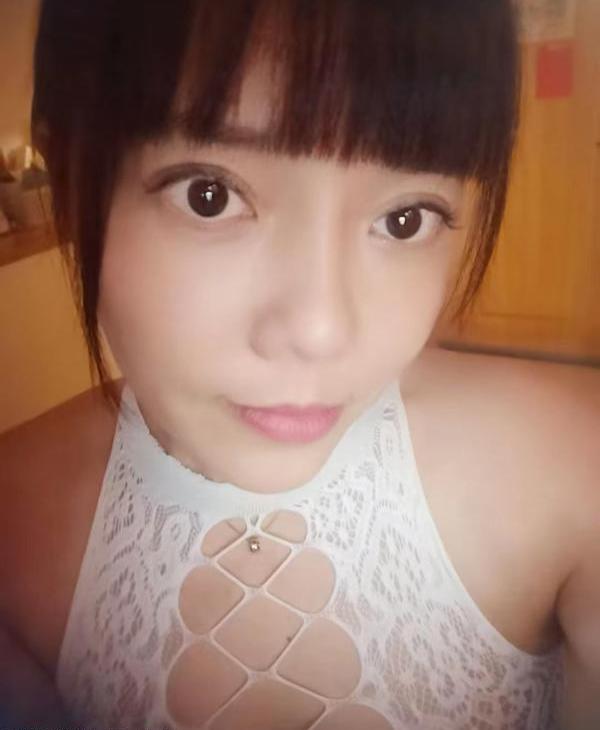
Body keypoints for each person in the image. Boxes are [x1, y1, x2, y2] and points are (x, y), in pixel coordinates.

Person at [1, 1, 599, 728]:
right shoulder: (16, 538)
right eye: (210, 196)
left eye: (405, 218)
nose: (321, 330)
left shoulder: (572, 466)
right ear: (68, 184)